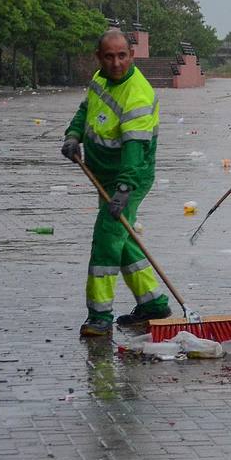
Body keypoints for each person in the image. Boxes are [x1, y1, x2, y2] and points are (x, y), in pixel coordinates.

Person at [62, 28, 168, 337]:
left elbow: (134, 152)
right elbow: (87, 110)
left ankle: (99, 315)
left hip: (130, 178)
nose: (116, 63)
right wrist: (73, 135)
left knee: (107, 240)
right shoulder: (99, 79)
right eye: (109, 56)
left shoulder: (138, 94)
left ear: (132, 55)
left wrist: (123, 190)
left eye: (122, 55)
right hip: (103, 174)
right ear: (99, 58)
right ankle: (154, 305)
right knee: (122, 242)